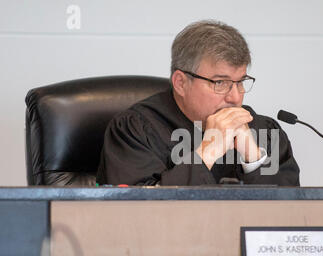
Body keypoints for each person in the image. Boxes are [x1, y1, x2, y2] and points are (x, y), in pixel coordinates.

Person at [96, 20, 300, 186]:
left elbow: (289, 220)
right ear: (181, 83)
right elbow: (137, 216)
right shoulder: (134, 131)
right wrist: (208, 152)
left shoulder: (263, 131)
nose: (235, 98)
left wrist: (254, 159)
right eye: (220, 83)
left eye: (240, 82)